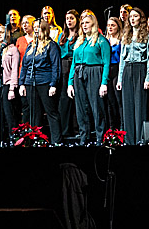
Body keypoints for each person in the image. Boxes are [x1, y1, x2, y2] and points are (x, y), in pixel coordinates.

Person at [67, 10, 111, 144]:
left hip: (94, 72)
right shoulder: (80, 41)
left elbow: (106, 63)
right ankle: (83, 136)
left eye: (87, 23)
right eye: (83, 23)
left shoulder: (101, 41)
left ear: (93, 24)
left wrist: (104, 82)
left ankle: (100, 137)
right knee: (81, 108)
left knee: (96, 107)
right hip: (79, 73)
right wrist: (70, 83)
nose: (84, 25)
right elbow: (73, 63)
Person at [18, 20, 62, 141]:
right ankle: (35, 140)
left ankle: (56, 141)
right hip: (30, 83)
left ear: (44, 29)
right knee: (34, 113)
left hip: (45, 82)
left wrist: (53, 84)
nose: (36, 29)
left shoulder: (51, 45)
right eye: (35, 27)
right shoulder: (31, 45)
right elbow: (25, 66)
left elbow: (55, 66)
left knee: (51, 112)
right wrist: (21, 83)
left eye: (38, 27)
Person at [117, 7, 149, 144]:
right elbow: (122, 58)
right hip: (127, 69)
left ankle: (140, 139)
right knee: (127, 106)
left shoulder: (148, 36)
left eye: (135, 16)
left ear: (141, 18)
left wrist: (148, 78)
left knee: (140, 106)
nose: (132, 19)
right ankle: (129, 140)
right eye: (131, 16)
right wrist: (120, 78)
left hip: (140, 69)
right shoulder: (125, 35)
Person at [58, 9, 81, 137]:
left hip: (75, 66)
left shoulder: (80, 35)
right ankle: (65, 131)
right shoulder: (62, 36)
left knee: (76, 98)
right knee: (64, 100)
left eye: (72, 18)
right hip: (63, 67)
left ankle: (77, 129)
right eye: (67, 19)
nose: (69, 21)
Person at [105, 16, 124, 130]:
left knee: (118, 100)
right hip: (108, 70)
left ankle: (122, 126)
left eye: (113, 25)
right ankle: (112, 127)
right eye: (108, 25)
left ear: (118, 27)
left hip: (117, 68)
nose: (110, 27)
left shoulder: (122, 40)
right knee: (110, 101)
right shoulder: (105, 40)